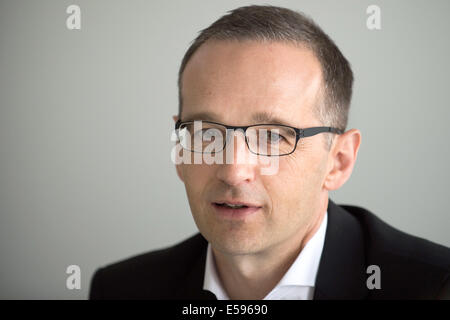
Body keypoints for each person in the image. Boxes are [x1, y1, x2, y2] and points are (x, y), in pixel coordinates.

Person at [89, 5, 450, 300]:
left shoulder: (433, 287)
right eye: (206, 134)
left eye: (273, 137)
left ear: (338, 162)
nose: (233, 170)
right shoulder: (123, 290)